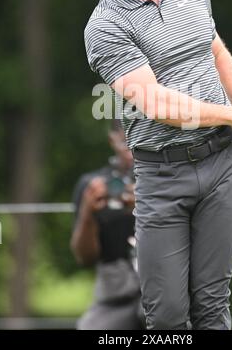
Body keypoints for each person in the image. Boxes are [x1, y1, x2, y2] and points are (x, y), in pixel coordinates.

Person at [84, 0, 232, 330]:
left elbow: (216, 51)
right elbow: (157, 105)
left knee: (212, 302)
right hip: (162, 176)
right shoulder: (105, 26)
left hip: (223, 163)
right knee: (167, 316)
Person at [70, 122, 144, 330]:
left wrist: (146, 206)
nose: (132, 152)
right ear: (112, 139)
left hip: (164, 289)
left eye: (139, 140)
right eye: (125, 142)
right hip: (115, 295)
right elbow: (84, 258)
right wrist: (88, 214)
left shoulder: (172, 179)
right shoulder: (92, 185)